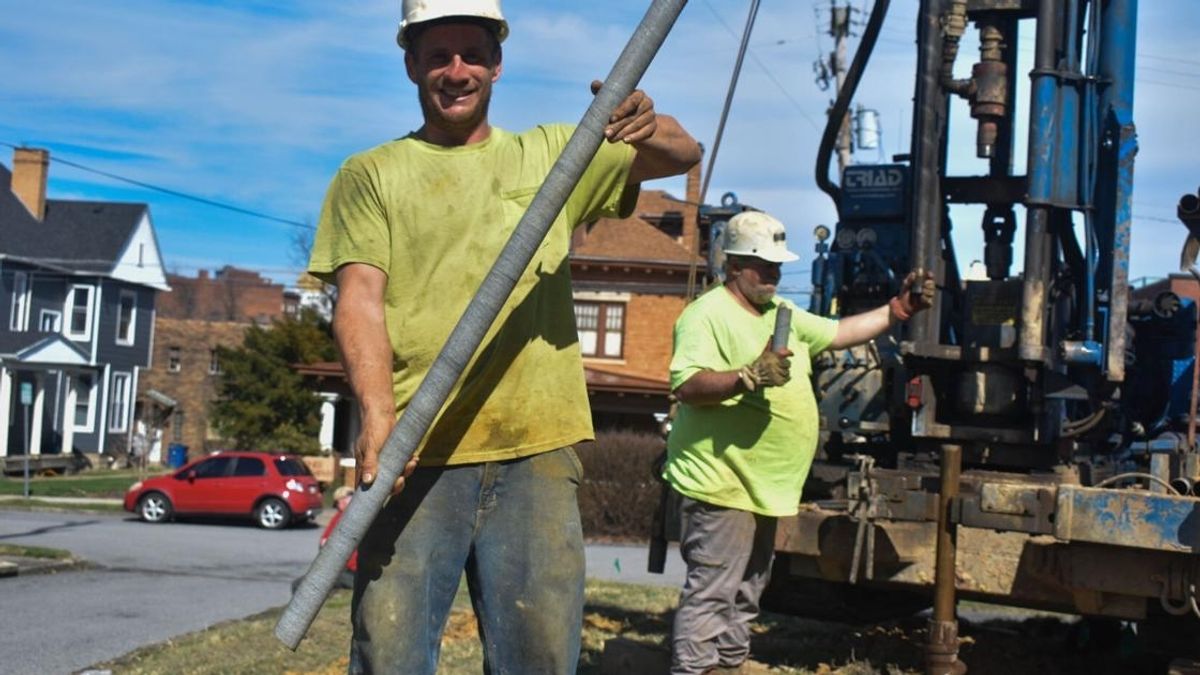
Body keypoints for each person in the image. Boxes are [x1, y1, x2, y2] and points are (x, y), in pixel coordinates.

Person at [306, 1, 701, 673]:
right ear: (410, 65)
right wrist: (376, 416)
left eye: (470, 54)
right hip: (415, 452)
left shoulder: (553, 154)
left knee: (540, 657)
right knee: (390, 651)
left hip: (535, 454)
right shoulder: (371, 175)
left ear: (496, 63)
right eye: (438, 55)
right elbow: (359, 301)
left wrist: (644, 122)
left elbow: (681, 153)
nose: (455, 71)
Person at [663, 211, 934, 675]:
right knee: (714, 588)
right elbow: (687, 385)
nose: (774, 273)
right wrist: (747, 376)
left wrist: (898, 311)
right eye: (763, 265)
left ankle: (728, 665)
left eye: (777, 265)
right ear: (734, 263)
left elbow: (840, 332)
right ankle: (694, 669)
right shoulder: (706, 315)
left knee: (748, 587)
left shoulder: (781, 314)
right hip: (721, 482)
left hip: (762, 485)